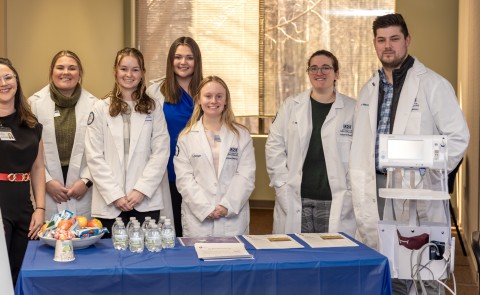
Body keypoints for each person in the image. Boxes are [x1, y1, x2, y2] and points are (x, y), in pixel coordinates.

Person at [349, 14, 469, 294]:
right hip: (375, 187)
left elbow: (458, 137)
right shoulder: (369, 89)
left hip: (415, 188)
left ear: (407, 41)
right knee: (384, 263)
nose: (387, 46)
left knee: (420, 267)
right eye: (381, 40)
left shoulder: (432, 84)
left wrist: (427, 174)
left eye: (394, 38)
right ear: (375, 44)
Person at [265, 50, 356, 236]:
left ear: (336, 74)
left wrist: (350, 191)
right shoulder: (290, 106)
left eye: (325, 68)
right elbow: (274, 147)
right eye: (313, 68)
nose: (319, 72)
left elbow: (360, 155)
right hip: (297, 196)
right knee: (298, 255)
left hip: (334, 200)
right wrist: (282, 185)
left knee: (330, 256)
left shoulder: (352, 109)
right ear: (308, 73)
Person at [85, 48, 171, 237]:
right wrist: (114, 194)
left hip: (144, 201)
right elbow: (94, 156)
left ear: (142, 74)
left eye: (135, 69)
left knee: (145, 257)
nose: (129, 75)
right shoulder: (100, 108)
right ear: (115, 71)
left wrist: (141, 190)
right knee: (110, 259)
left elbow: (161, 152)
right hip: (110, 202)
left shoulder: (153, 108)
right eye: (124, 69)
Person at [174, 76, 255, 237]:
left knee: (234, 259)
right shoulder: (186, 137)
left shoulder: (241, 135)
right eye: (208, 96)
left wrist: (227, 206)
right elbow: (184, 179)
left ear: (226, 100)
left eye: (219, 96)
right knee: (198, 259)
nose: (213, 101)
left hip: (232, 218)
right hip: (198, 219)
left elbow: (246, 176)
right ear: (198, 99)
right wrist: (204, 208)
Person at [28, 50, 96, 221]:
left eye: (72, 68)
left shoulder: (96, 105)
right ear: (52, 71)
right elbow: (28, 149)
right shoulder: (33, 104)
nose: (66, 72)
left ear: (80, 73)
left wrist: (86, 181)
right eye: (60, 68)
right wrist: (47, 182)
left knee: (82, 237)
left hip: (83, 184)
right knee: (49, 238)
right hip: (46, 182)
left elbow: (101, 150)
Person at [146, 36, 203, 237]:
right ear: (171, 61)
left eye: (189, 57)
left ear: (197, 61)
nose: (183, 62)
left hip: (198, 172)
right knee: (171, 228)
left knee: (196, 229)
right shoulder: (155, 91)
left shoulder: (206, 91)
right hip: (165, 170)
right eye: (178, 57)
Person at [0, 58, 46, 285]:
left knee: (22, 270)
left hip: (24, 207)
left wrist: (40, 208)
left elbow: (38, 168)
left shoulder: (31, 124)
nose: (3, 83)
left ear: (16, 82)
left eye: (8, 77)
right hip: (1, 203)